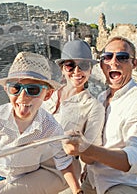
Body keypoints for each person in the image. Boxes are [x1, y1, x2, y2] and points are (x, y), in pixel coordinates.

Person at [0, 52, 81, 194]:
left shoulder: (49, 125)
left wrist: (77, 190)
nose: (22, 97)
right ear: (6, 90)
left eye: (33, 89)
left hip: (26, 176)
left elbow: (63, 161)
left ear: (48, 95)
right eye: (15, 88)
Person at [62, 36, 137, 194]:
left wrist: (86, 148)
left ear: (134, 63)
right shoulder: (101, 98)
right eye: (108, 57)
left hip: (125, 183)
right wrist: (89, 167)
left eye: (122, 57)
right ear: (101, 64)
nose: (114, 62)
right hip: (95, 180)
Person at [42, 40, 105, 192]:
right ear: (63, 69)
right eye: (70, 65)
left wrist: (80, 148)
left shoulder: (93, 107)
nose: (77, 71)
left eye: (83, 65)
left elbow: (92, 151)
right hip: (35, 160)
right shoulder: (49, 94)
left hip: (62, 168)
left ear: (90, 70)